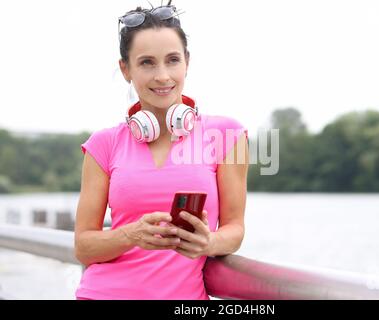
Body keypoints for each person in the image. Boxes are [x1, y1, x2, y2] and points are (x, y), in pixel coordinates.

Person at [74, 3, 249, 300]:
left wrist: (209, 243)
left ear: (187, 63)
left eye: (172, 60)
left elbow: (235, 229)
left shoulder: (227, 135)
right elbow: (83, 246)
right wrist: (130, 234)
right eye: (146, 63)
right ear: (125, 69)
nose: (163, 76)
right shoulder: (103, 144)